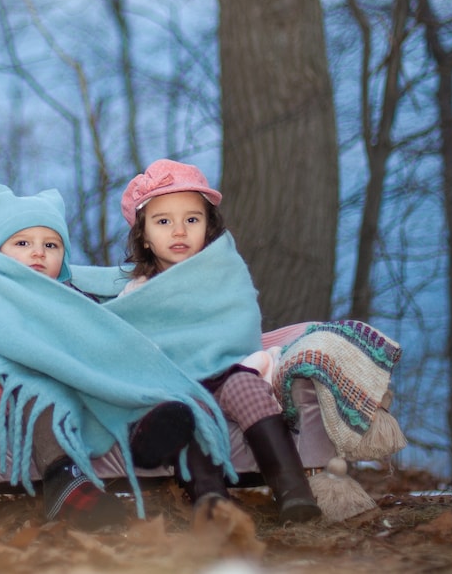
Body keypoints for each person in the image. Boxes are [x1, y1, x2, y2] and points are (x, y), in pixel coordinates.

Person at [0, 184, 211, 530]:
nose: (38, 253)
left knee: (108, 381)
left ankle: (144, 428)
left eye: (51, 245)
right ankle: (62, 479)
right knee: (42, 399)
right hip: (21, 386)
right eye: (22, 244)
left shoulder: (69, 295)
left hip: (76, 379)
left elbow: (96, 332)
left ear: (63, 257)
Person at [115, 158, 322, 523]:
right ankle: (210, 500)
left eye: (192, 220)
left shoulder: (225, 278)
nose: (179, 231)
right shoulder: (137, 293)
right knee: (181, 412)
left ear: (208, 228)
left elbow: (240, 326)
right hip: (176, 385)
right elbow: (129, 347)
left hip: (226, 371)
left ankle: (293, 492)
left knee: (247, 387)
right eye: (163, 222)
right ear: (144, 236)